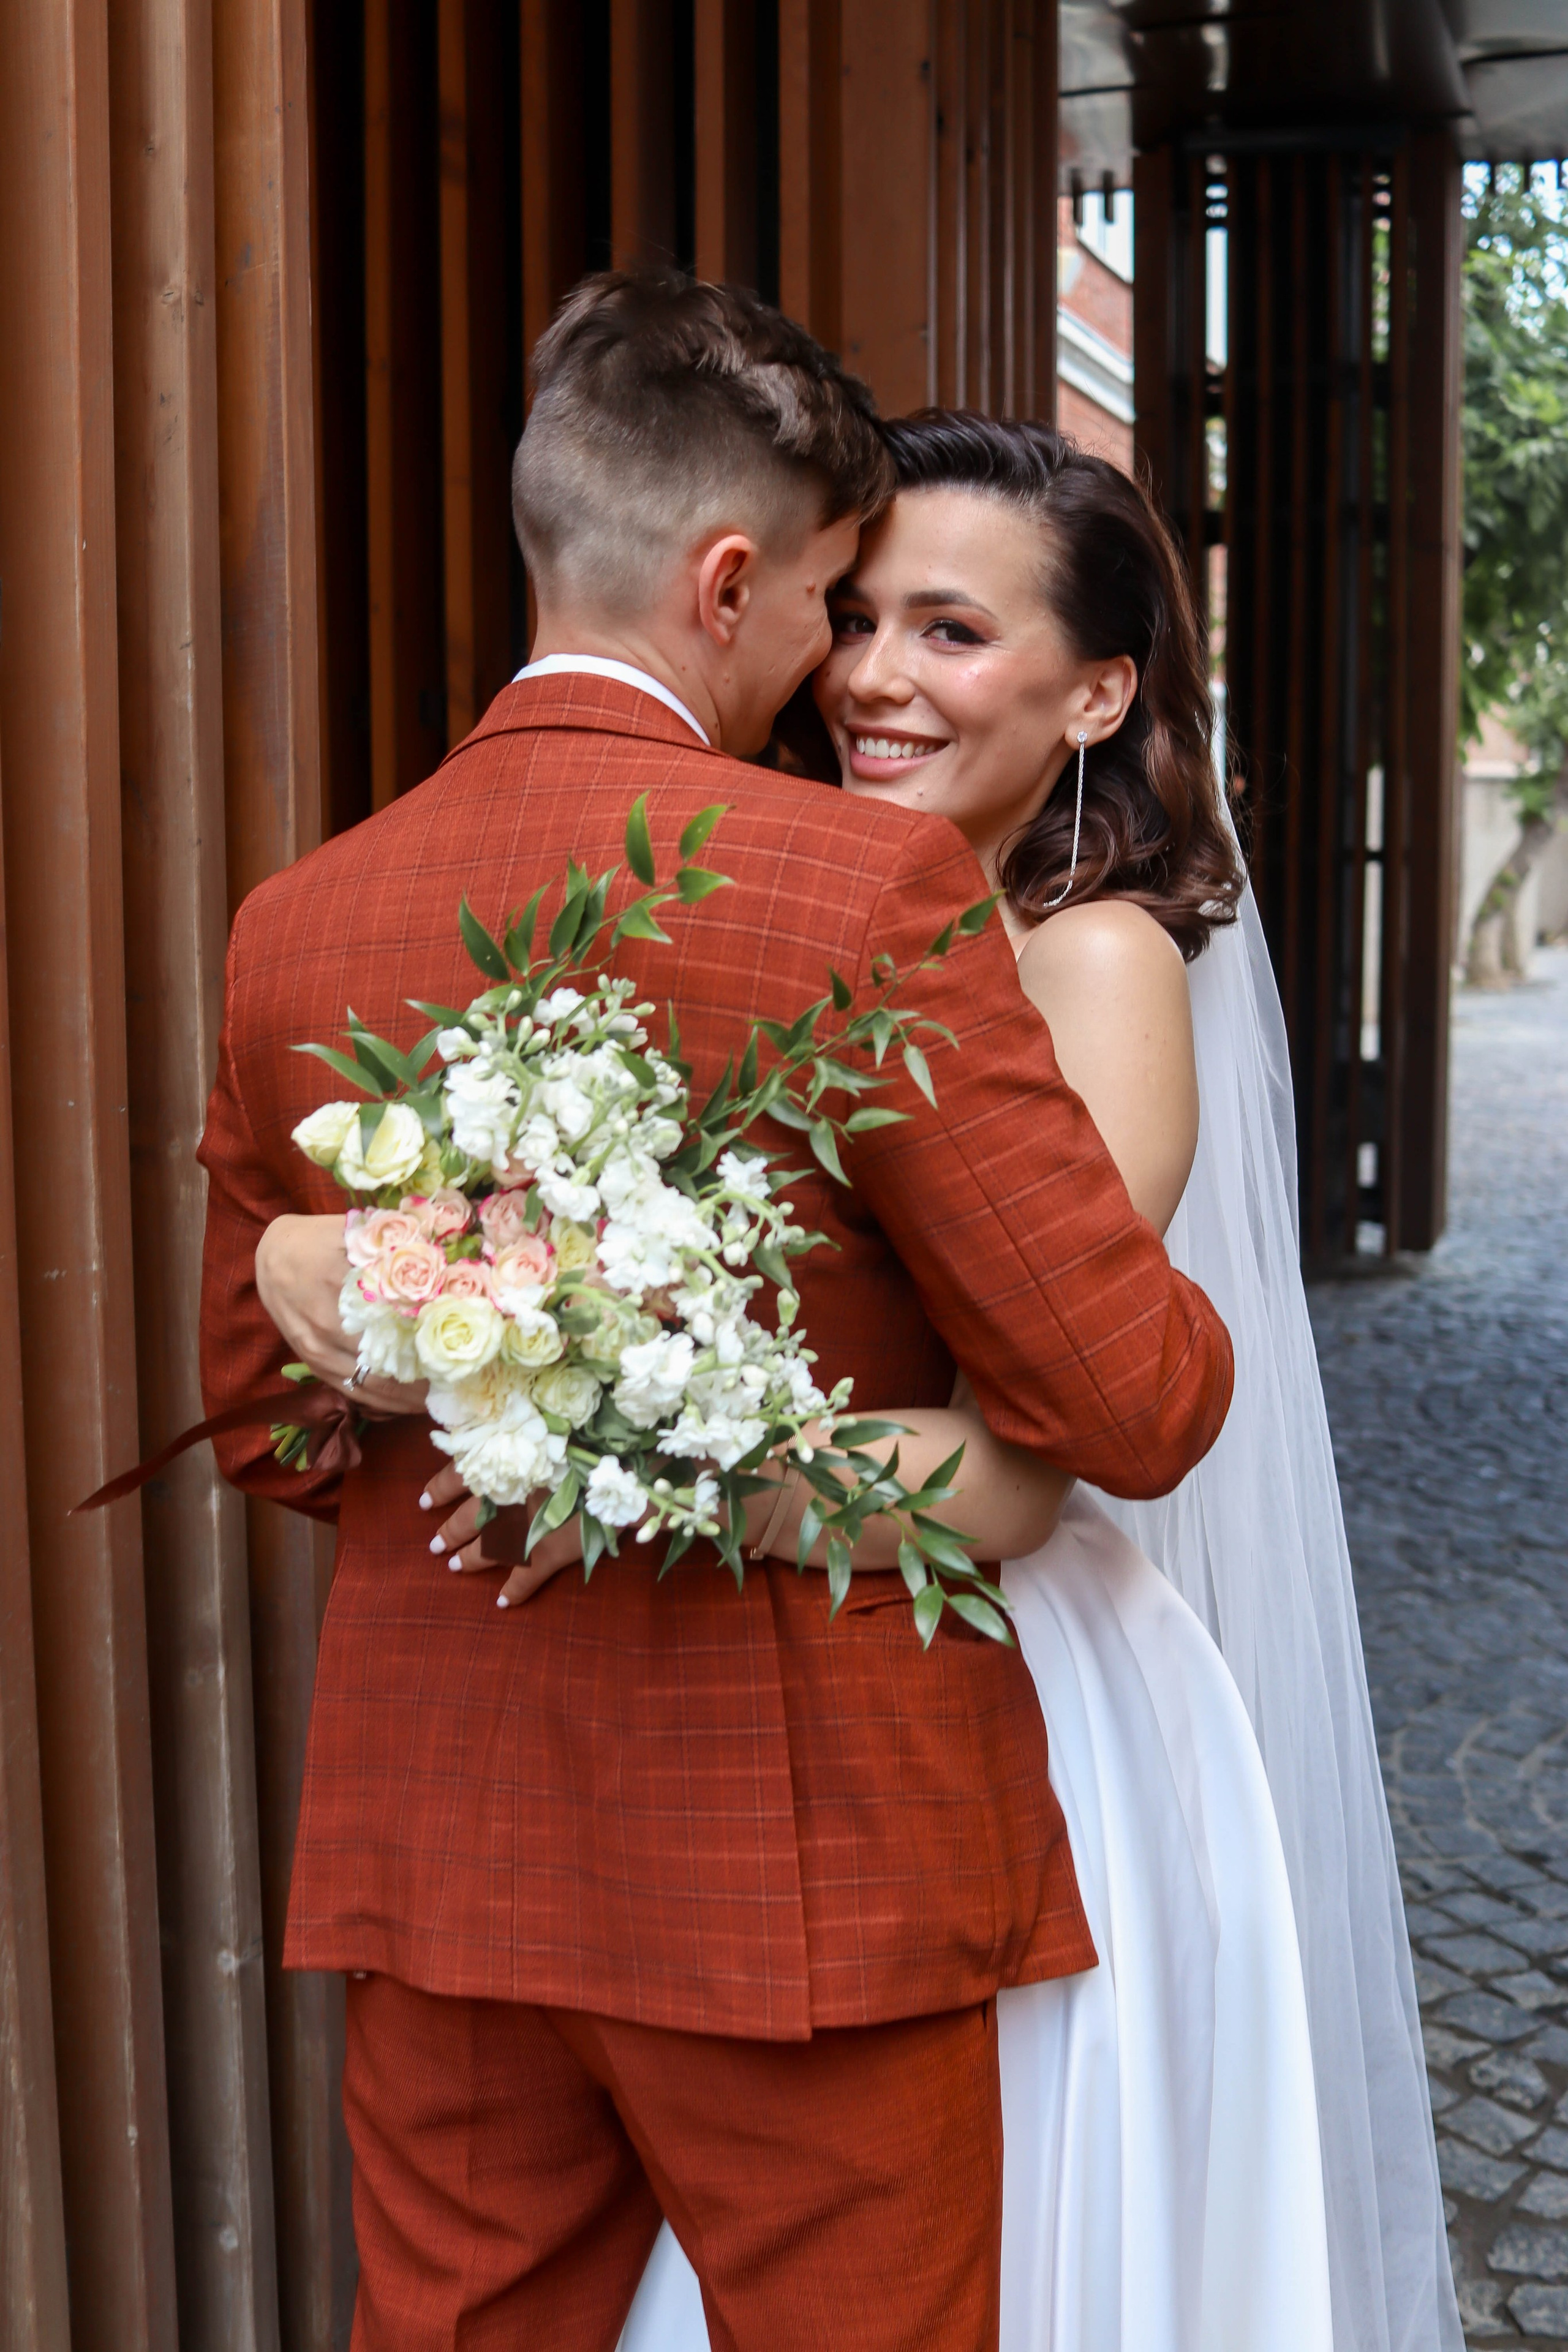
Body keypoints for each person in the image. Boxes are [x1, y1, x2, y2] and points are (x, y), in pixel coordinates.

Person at [202, 274, 1234, 2351]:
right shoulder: (854, 895)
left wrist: (460, 1332)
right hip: (798, 1882)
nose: (839, 663)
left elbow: (270, 1427)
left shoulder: (298, 921)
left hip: (448, 1849)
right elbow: (1131, 1400)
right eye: (837, 603)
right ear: (734, 577)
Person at [613, 415, 1459, 2352]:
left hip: (1013, 1691)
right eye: (859, 617)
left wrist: (621, 1443)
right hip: (780, 1661)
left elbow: (1048, 1420)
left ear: (1097, 691)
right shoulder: (783, 906)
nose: (877, 677)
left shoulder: (1092, 963)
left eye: (951, 629)